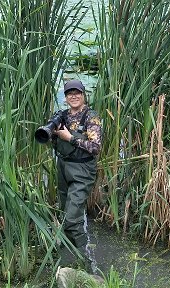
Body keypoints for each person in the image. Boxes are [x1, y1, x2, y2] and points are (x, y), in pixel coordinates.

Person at [52, 79, 102, 269]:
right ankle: (70, 255)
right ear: (65, 98)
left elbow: (95, 148)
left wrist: (70, 138)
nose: (73, 96)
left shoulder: (91, 117)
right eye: (69, 93)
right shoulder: (61, 116)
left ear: (83, 95)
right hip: (63, 167)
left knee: (72, 217)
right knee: (66, 214)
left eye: (77, 92)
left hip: (82, 171)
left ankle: (88, 262)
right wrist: (51, 133)